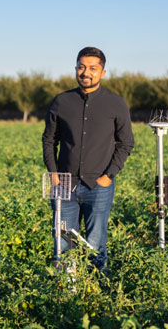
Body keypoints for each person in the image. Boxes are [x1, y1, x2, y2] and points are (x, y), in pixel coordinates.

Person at [42, 46, 135, 273]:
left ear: (103, 72)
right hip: (64, 185)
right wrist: (53, 173)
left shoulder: (116, 103)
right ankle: (65, 290)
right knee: (63, 243)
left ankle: (96, 290)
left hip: (99, 186)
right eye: (81, 67)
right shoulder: (61, 102)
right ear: (76, 68)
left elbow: (126, 143)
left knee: (95, 244)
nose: (86, 72)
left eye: (93, 68)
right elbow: (49, 140)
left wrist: (108, 176)